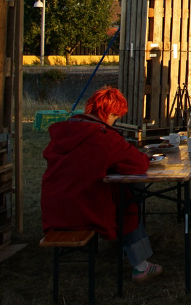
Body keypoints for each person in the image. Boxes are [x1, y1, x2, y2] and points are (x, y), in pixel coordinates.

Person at [41, 87, 163, 283]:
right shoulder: (104, 136)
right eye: (116, 117)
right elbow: (138, 164)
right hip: (84, 209)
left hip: (53, 208)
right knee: (127, 201)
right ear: (111, 113)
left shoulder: (65, 130)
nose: (116, 122)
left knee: (121, 195)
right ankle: (140, 265)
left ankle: (133, 255)